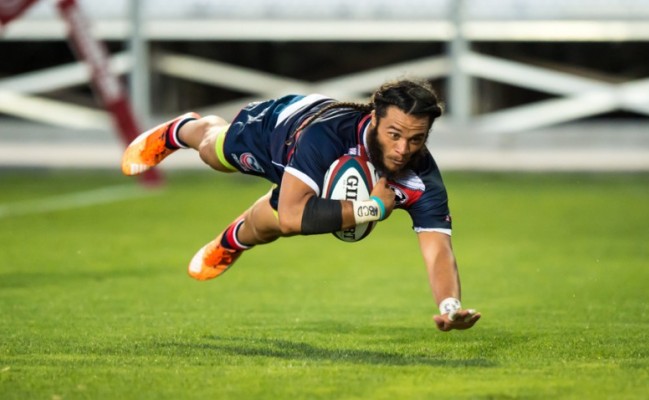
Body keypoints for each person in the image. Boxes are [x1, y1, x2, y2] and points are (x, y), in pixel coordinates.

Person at [122, 77, 481, 332]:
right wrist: (374, 208)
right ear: (373, 119)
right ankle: (179, 129)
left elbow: (438, 251)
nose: (403, 149)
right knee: (213, 153)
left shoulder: (422, 178)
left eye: (416, 139)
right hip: (280, 131)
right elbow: (297, 217)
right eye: (394, 135)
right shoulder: (327, 135)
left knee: (269, 226)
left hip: (310, 177)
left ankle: (231, 241)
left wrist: (449, 306)